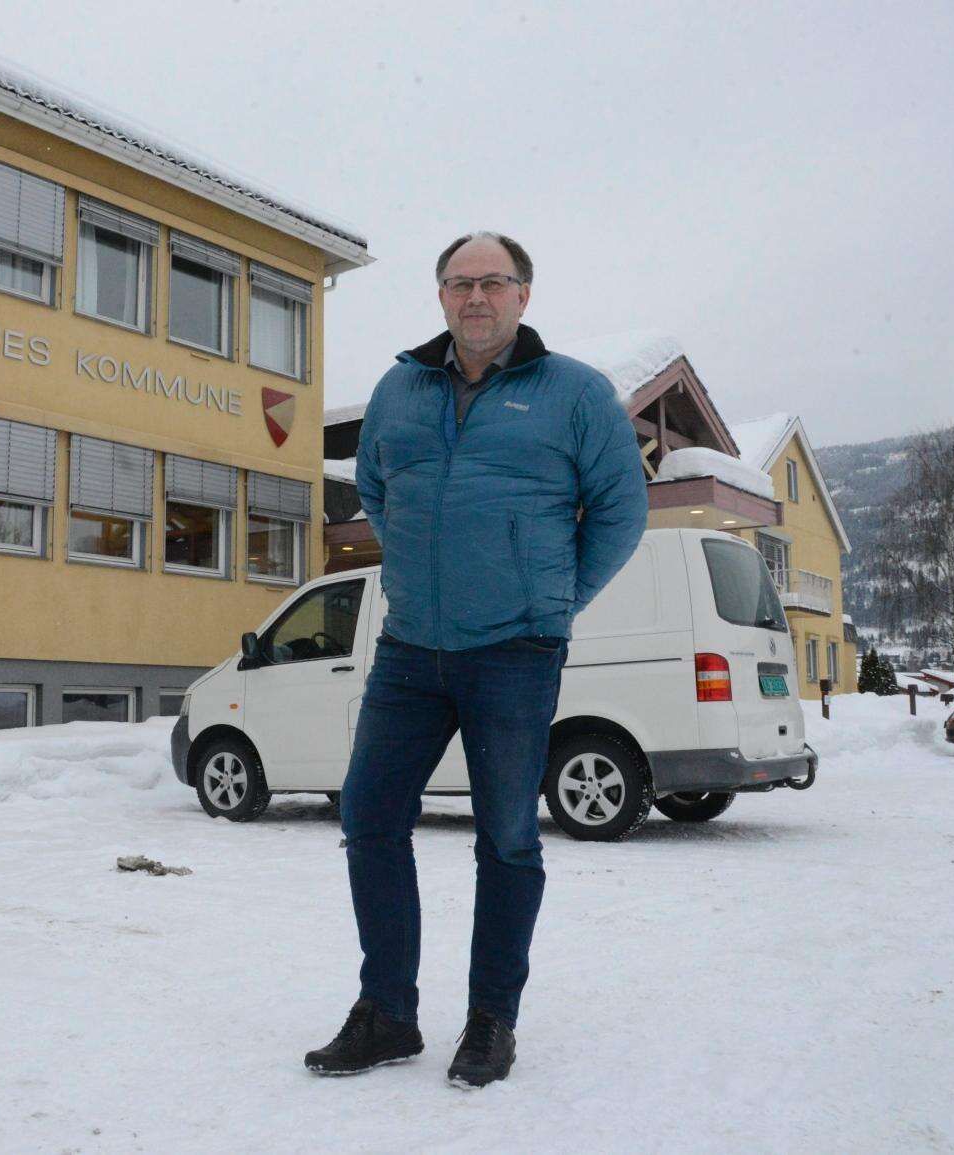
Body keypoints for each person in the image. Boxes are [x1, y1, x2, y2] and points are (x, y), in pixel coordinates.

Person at [303, 232, 648, 1087]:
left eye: (493, 282)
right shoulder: (399, 388)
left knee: (506, 835)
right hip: (409, 647)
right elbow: (376, 489)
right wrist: (419, 572)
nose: (475, 297)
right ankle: (387, 1012)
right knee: (369, 818)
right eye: (459, 283)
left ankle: (491, 1018)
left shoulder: (573, 393)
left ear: (523, 294)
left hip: (515, 651)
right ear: (441, 297)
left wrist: (552, 599)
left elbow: (620, 510)